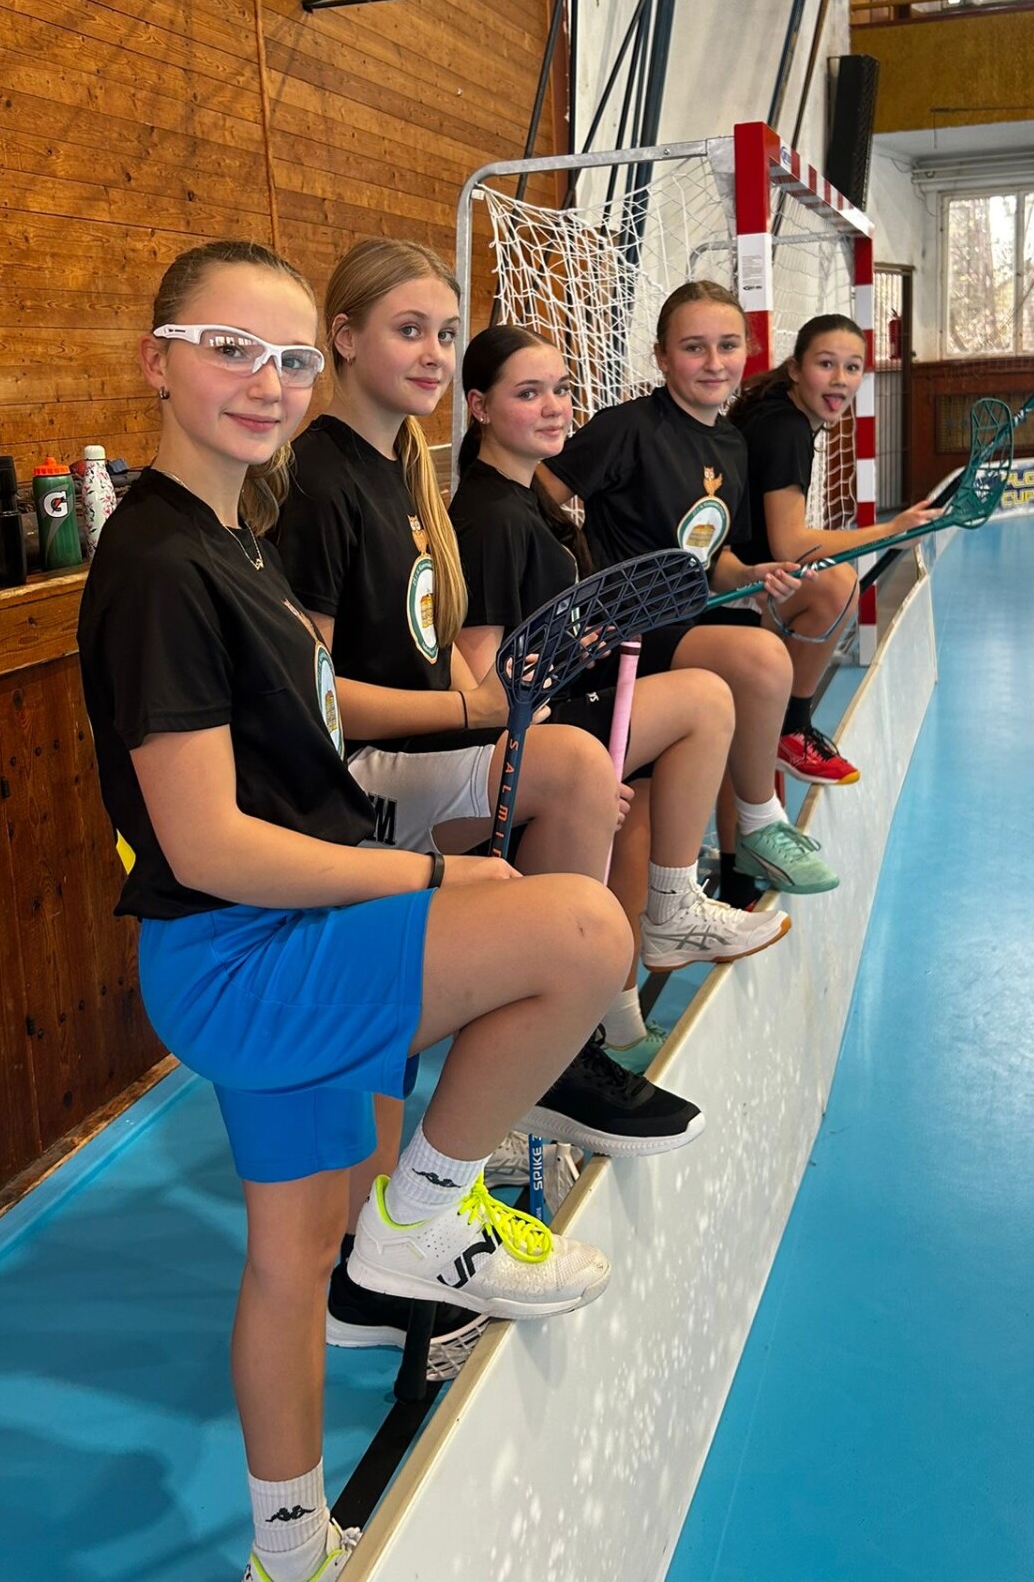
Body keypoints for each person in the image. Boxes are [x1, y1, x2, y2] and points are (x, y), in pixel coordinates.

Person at [76, 240, 632, 1582]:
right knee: (582, 932)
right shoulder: (161, 564)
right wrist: (435, 875)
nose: (264, 382)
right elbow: (209, 843)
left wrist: (474, 714)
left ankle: (287, 1543)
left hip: (260, 944)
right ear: (157, 363)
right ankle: (423, 1219)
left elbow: (316, 725)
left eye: (285, 360)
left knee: (290, 1256)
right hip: (249, 955)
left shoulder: (233, 539)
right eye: (228, 350)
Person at [270, 239, 706, 1350]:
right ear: (343, 339)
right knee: (562, 776)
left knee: (576, 772)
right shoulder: (320, 480)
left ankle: (546, 1050)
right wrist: (478, 711)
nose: (430, 351)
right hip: (355, 782)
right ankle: (532, 1052)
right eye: (407, 329)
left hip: (420, 755)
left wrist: (502, 709)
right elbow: (316, 702)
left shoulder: (402, 471)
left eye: (443, 331)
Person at [450, 323, 792, 1067]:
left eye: (561, 390)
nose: (555, 407)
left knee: (643, 809)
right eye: (528, 393)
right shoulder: (491, 518)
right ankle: (675, 906)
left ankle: (619, 1016)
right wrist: (567, 769)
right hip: (526, 741)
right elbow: (484, 684)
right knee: (705, 700)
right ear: (479, 407)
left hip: (566, 708)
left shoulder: (532, 505)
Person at [538, 278, 840, 898]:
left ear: (747, 352)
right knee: (760, 658)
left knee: (647, 822)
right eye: (693, 347)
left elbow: (715, 555)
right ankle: (759, 821)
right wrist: (566, 570)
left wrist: (750, 575)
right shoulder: (627, 428)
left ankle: (705, 884)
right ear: (661, 356)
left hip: (684, 625)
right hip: (623, 632)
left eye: (727, 346)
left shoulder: (731, 444)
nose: (713, 362)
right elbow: (535, 494)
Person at [730, 313, 933, 786]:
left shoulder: (777, 412)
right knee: (838, 586)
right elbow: (791, 543)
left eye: (853, 367)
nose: (841, 378)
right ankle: (791, 727)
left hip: (737, 573)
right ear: (796, 368)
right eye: (826, 364)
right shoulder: (785, 429)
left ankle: (772, 746)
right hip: (728, 590)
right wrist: (891, 531)